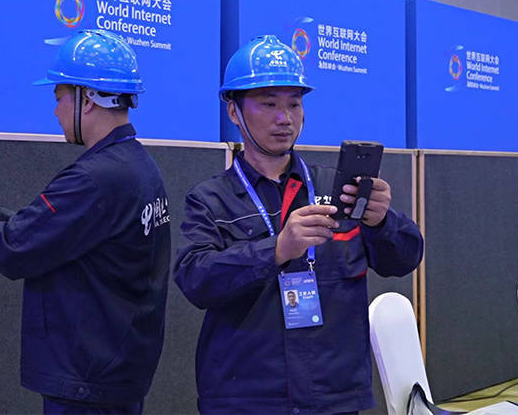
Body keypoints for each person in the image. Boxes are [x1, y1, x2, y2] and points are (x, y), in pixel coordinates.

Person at [174, 35, 424, 414]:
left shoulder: (336, 190)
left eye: (294, 103)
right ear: (234, 112)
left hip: (333, 395)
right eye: (268, 104)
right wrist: (275, 250)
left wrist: (382, 222)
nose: (284, 118)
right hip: (246, 398)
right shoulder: (211, 200)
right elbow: (195, 280)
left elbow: (404, 260)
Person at [0, 29, 171, 414]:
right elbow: (66, 236)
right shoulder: (138, 167)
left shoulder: (94, 179)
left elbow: (13, 250)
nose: (56, 111)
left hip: (87, 383)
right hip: (116, 373)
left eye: (59, 97)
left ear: (88, 99)